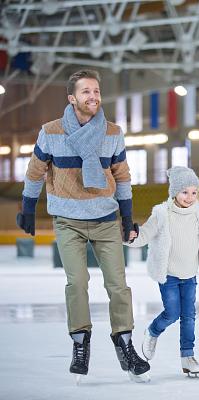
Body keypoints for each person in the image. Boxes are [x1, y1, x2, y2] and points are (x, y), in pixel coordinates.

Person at [16, 69, 150, 383]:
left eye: (96, 91)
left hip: (105, 219)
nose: (93, 97)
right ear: (72, 98)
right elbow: (36, 172)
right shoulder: (51, 131)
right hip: (68, 221)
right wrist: (26, 208)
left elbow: (122, 176)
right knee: (77, 283)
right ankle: (80, 343)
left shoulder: (113, 132)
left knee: (119, 285)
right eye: (86, 92)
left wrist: (127, 218)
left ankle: (125, 343)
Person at [127, 166, 199, 378]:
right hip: (169, 275)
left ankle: (187, 357)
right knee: (172, 313)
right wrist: (132, 237)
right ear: (174, 192)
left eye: (194, 192)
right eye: (185, 192)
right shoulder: (162, 213)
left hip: (189, 275)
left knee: (189, 316)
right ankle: (153, 331)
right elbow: (145, 233)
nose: (190, 197)